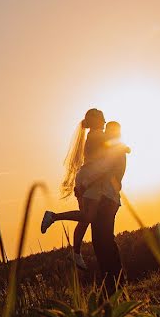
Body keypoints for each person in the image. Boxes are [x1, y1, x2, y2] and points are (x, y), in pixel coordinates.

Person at [42, 119, 129, 291]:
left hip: (107, 197)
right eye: (105, 126)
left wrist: (85, 184)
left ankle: (113, 282)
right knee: (102, 240)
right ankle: (113, 281)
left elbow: (105, 170)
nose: (106, 129)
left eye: (110, 129)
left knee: (102, 240)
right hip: (104, 195)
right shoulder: (105, 143)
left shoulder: (114, 149)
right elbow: (102, 166)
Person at [40, 108, 105, 269]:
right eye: (102, 120)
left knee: (84, 219)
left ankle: (76, 253)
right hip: (90, 179)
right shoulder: (97, 135)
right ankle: (53, 216)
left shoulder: (93, 136)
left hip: (84, 176)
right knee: (88, 217)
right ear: (97, 121)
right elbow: (111, 150)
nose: (104, 124)